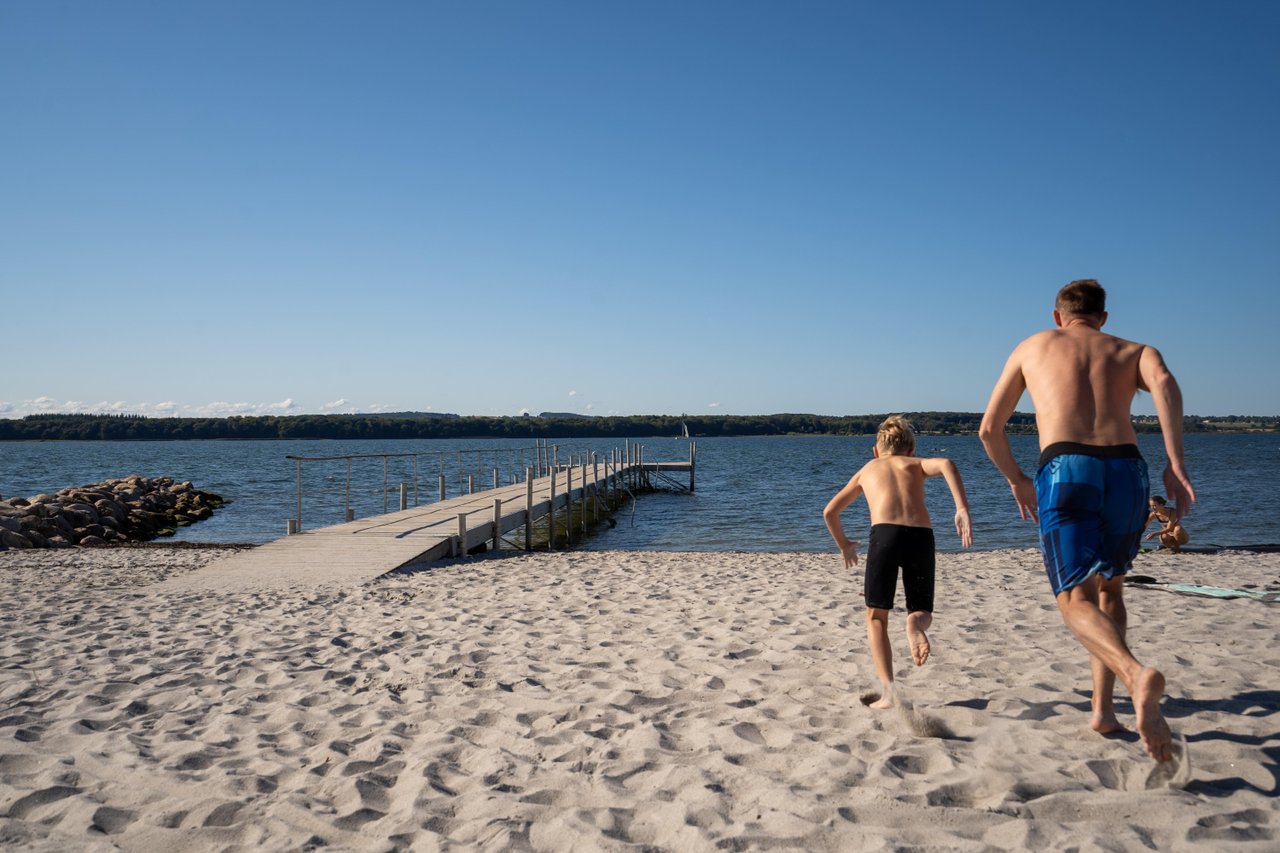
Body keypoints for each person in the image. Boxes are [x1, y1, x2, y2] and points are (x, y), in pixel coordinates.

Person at [979, 279, 1196, 763]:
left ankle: (1134, 675)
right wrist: (1175, 461)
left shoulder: (1034, 345)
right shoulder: (1134, 349)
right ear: (1104, 317)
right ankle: (1103, 711)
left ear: (1058, 316)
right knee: (1111, 590)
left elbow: (989, 429)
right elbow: (1164, 382)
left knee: (1075, 597)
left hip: (1066, 465)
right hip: (1127, 468)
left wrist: (1016, 478)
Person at [823, 416, 972, 709]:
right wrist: (961, 508)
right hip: (921, 537)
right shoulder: (915, 465)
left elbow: (830, 512)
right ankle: (915, 624)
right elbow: (946, 465)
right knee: (921, 609)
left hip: (886, 536)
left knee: (877, 616)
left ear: (876, 450)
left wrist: (844, 545)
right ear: (912, 450)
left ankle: (889, 692)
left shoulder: (869, 469)